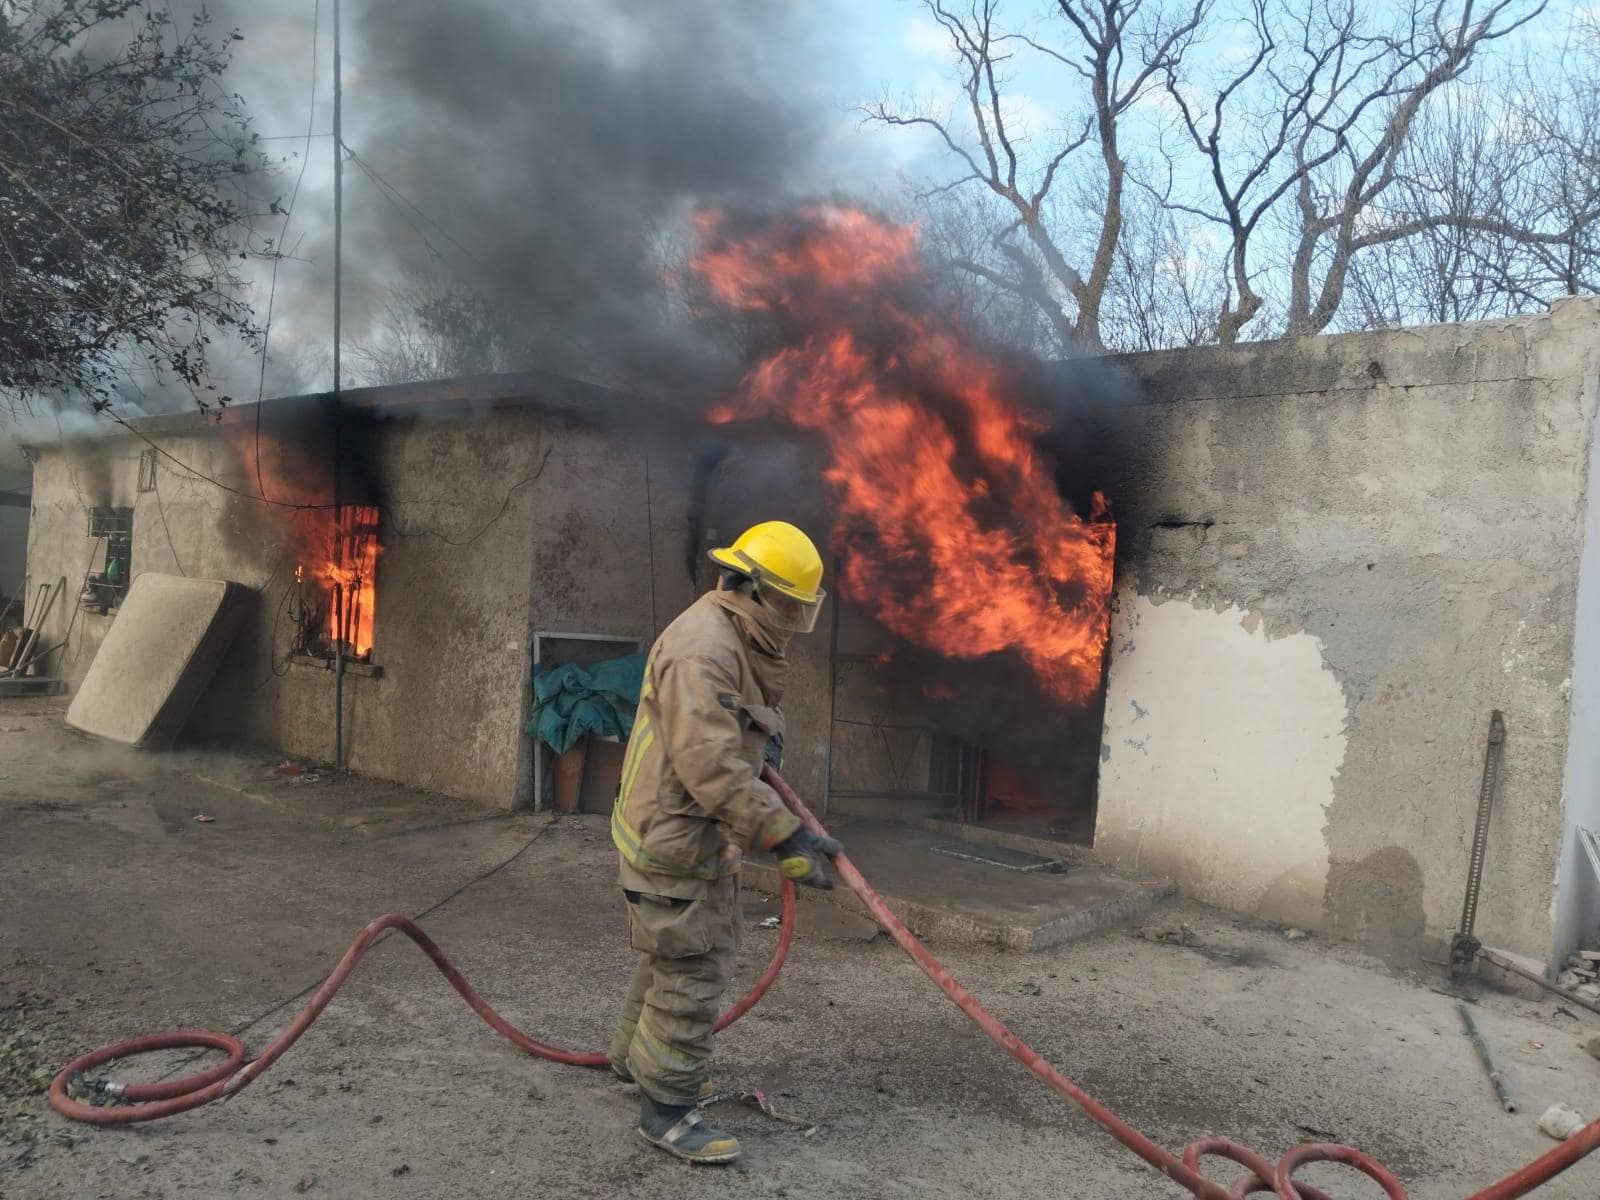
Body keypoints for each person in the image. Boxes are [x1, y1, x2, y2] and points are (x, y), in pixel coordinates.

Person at [608, 520, 843, 1164]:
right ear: (755, 588)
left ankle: (634, 1061)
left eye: (804, 607)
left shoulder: (734, 632)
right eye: (791, 605)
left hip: (681, 827)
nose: (796, 618)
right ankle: (669, 1110)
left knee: (670, 952)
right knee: (693, 963)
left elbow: (733, 736)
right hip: (676, 835)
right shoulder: (705, 650)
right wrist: (784, 834)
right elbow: (712, 765)